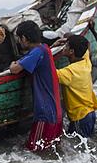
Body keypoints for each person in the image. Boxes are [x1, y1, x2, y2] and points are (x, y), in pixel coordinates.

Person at [9, 20, 63, 152]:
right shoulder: (44, 48)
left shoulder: (37, 52)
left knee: (34, 151)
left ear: (24, 39)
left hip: (45, 115)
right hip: (56, 113)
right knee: (50, 152)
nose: (19, 42)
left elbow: (15, 69)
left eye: (19, 38)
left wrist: (12, 64)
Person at [55, 34, 97, 139]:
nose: (63, 48)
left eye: (66, 46)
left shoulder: (70, 72)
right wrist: (70, 40)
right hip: (89, 114)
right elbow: (87, 44)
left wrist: (51, 47)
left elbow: (49, 72)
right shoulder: (86, 62)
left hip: (80, 117)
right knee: (83, 147)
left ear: (71, 51)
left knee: (78, 148)